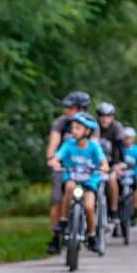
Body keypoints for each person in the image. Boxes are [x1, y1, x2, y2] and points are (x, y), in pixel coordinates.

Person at [51, 113, 109, 252]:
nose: (74, 131)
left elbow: (104, 163)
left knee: (89, 206)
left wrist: (103, 168)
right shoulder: (68, 144)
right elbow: (57, 157)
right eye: (73, 128)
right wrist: (55, 163)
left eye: (78, 128)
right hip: (72, 177)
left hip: (89, 181)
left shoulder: (94, 147)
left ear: (87, 131)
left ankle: (92, 235)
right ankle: (64, 220)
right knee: (69, 187)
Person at [46, 91, 92, 255]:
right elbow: (54, 143)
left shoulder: (91, 124)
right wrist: (52, 159)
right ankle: (55, 238)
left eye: (70, 107)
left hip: (86, 168)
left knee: (91, 197)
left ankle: (92, 230)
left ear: (81, 109)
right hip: (65, 167)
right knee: (56, 199)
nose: (66, 110)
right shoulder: (60, 122)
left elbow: (95, 147)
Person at [95, 102, 126, 222]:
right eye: (102, 115)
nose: (105, 118)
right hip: (96, 163)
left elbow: (120, 146)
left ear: (112, 117)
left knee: (112, 180)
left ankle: (113, 211)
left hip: (112, 163)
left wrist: (121, 163)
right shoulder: (93, 126)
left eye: (108, 116)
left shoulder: (116, 127)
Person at [121, 127, 137, 214]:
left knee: (136, 186)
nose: (127, 140)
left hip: (134, 173)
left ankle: (135, 207)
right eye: (126, 137)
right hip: (122, 173)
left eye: (129, 138)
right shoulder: (121, 148)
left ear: (133, 139)